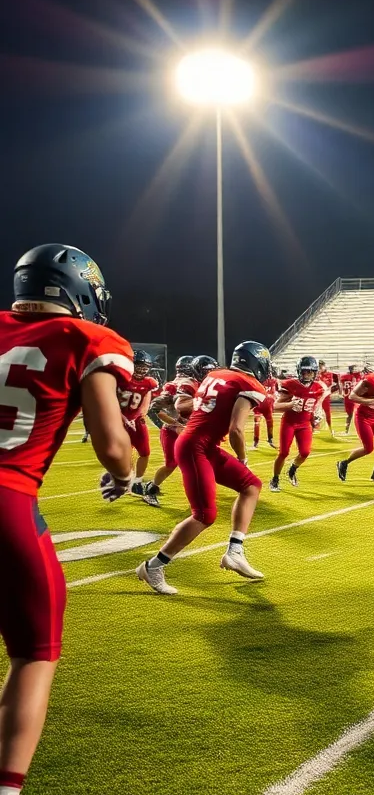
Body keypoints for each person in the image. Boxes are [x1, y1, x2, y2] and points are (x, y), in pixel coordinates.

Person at [0, 244, 134, 795]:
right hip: (7, 498)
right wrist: (125, 475)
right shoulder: (88, 339)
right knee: (34, 652)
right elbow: (111, 445)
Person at [136, 342, 269, 595]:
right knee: (204, 515)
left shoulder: (215, 374)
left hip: (199, 444)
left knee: (251, 485)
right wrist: (242, 458)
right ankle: (153, 566)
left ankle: (235, 551)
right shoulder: (250, 385)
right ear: (258, 363)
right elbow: (236, 429)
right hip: (196, 447)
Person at [142, 355, 195, 508]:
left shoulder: (196, 384)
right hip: (172, 431)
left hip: (188, 430)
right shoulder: (176, 386)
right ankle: (151, 489)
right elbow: (156, 409)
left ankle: (200, 493)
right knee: (171, 464)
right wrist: (177, 423)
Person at [270, 356, 328, 492]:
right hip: (289, 422)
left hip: (305, 423)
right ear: (299, 371)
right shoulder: (290, 384)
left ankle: (292, 469)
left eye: (310, 372)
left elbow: (314, 406)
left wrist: (316, 418)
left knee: (305, 452)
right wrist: (290, 405)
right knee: (283, 453)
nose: (307, 374)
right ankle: (275, 479)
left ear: (315, 372)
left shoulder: (319, 387)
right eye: (304, 371)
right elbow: (273, 406)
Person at [116, 349, 159, 495]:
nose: (141, 370)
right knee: (126, 453)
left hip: (137, 421)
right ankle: (128, 479)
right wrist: (124, 419)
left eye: (144, 367)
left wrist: (139, 415)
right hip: (118, 420)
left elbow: (146, 400)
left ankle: (138, 481)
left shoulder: (149, 382)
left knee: (145, 452)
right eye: (139, 366)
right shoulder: (120, 379)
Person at [251, 368, 277, 450]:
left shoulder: (272, 381)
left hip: (263, 404)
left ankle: (269, 439)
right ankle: (257, 441)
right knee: (258, 423)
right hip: (261, 404)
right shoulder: (270, 381)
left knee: (267, 422)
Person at [338, 363, 360, 435]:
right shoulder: (345, 376)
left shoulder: (358, 375)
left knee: (357, 415)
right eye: (354, 368)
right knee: (350, 415)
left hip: (355, 398)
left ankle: (356, 430)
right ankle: (347, 430)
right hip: (348, 398)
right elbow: (340, 384)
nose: (355, 370)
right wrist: (341, 393)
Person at [315, 360, 336, 436]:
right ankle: (315, 427)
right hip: (317, 396)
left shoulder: (329, 374)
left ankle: (330, 429)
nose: (320, 368)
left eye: (321, 366)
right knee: (314, 412)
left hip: (325, 396)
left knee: (327, 413)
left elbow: (329, 385)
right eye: (319, 367)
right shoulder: (315, 374)